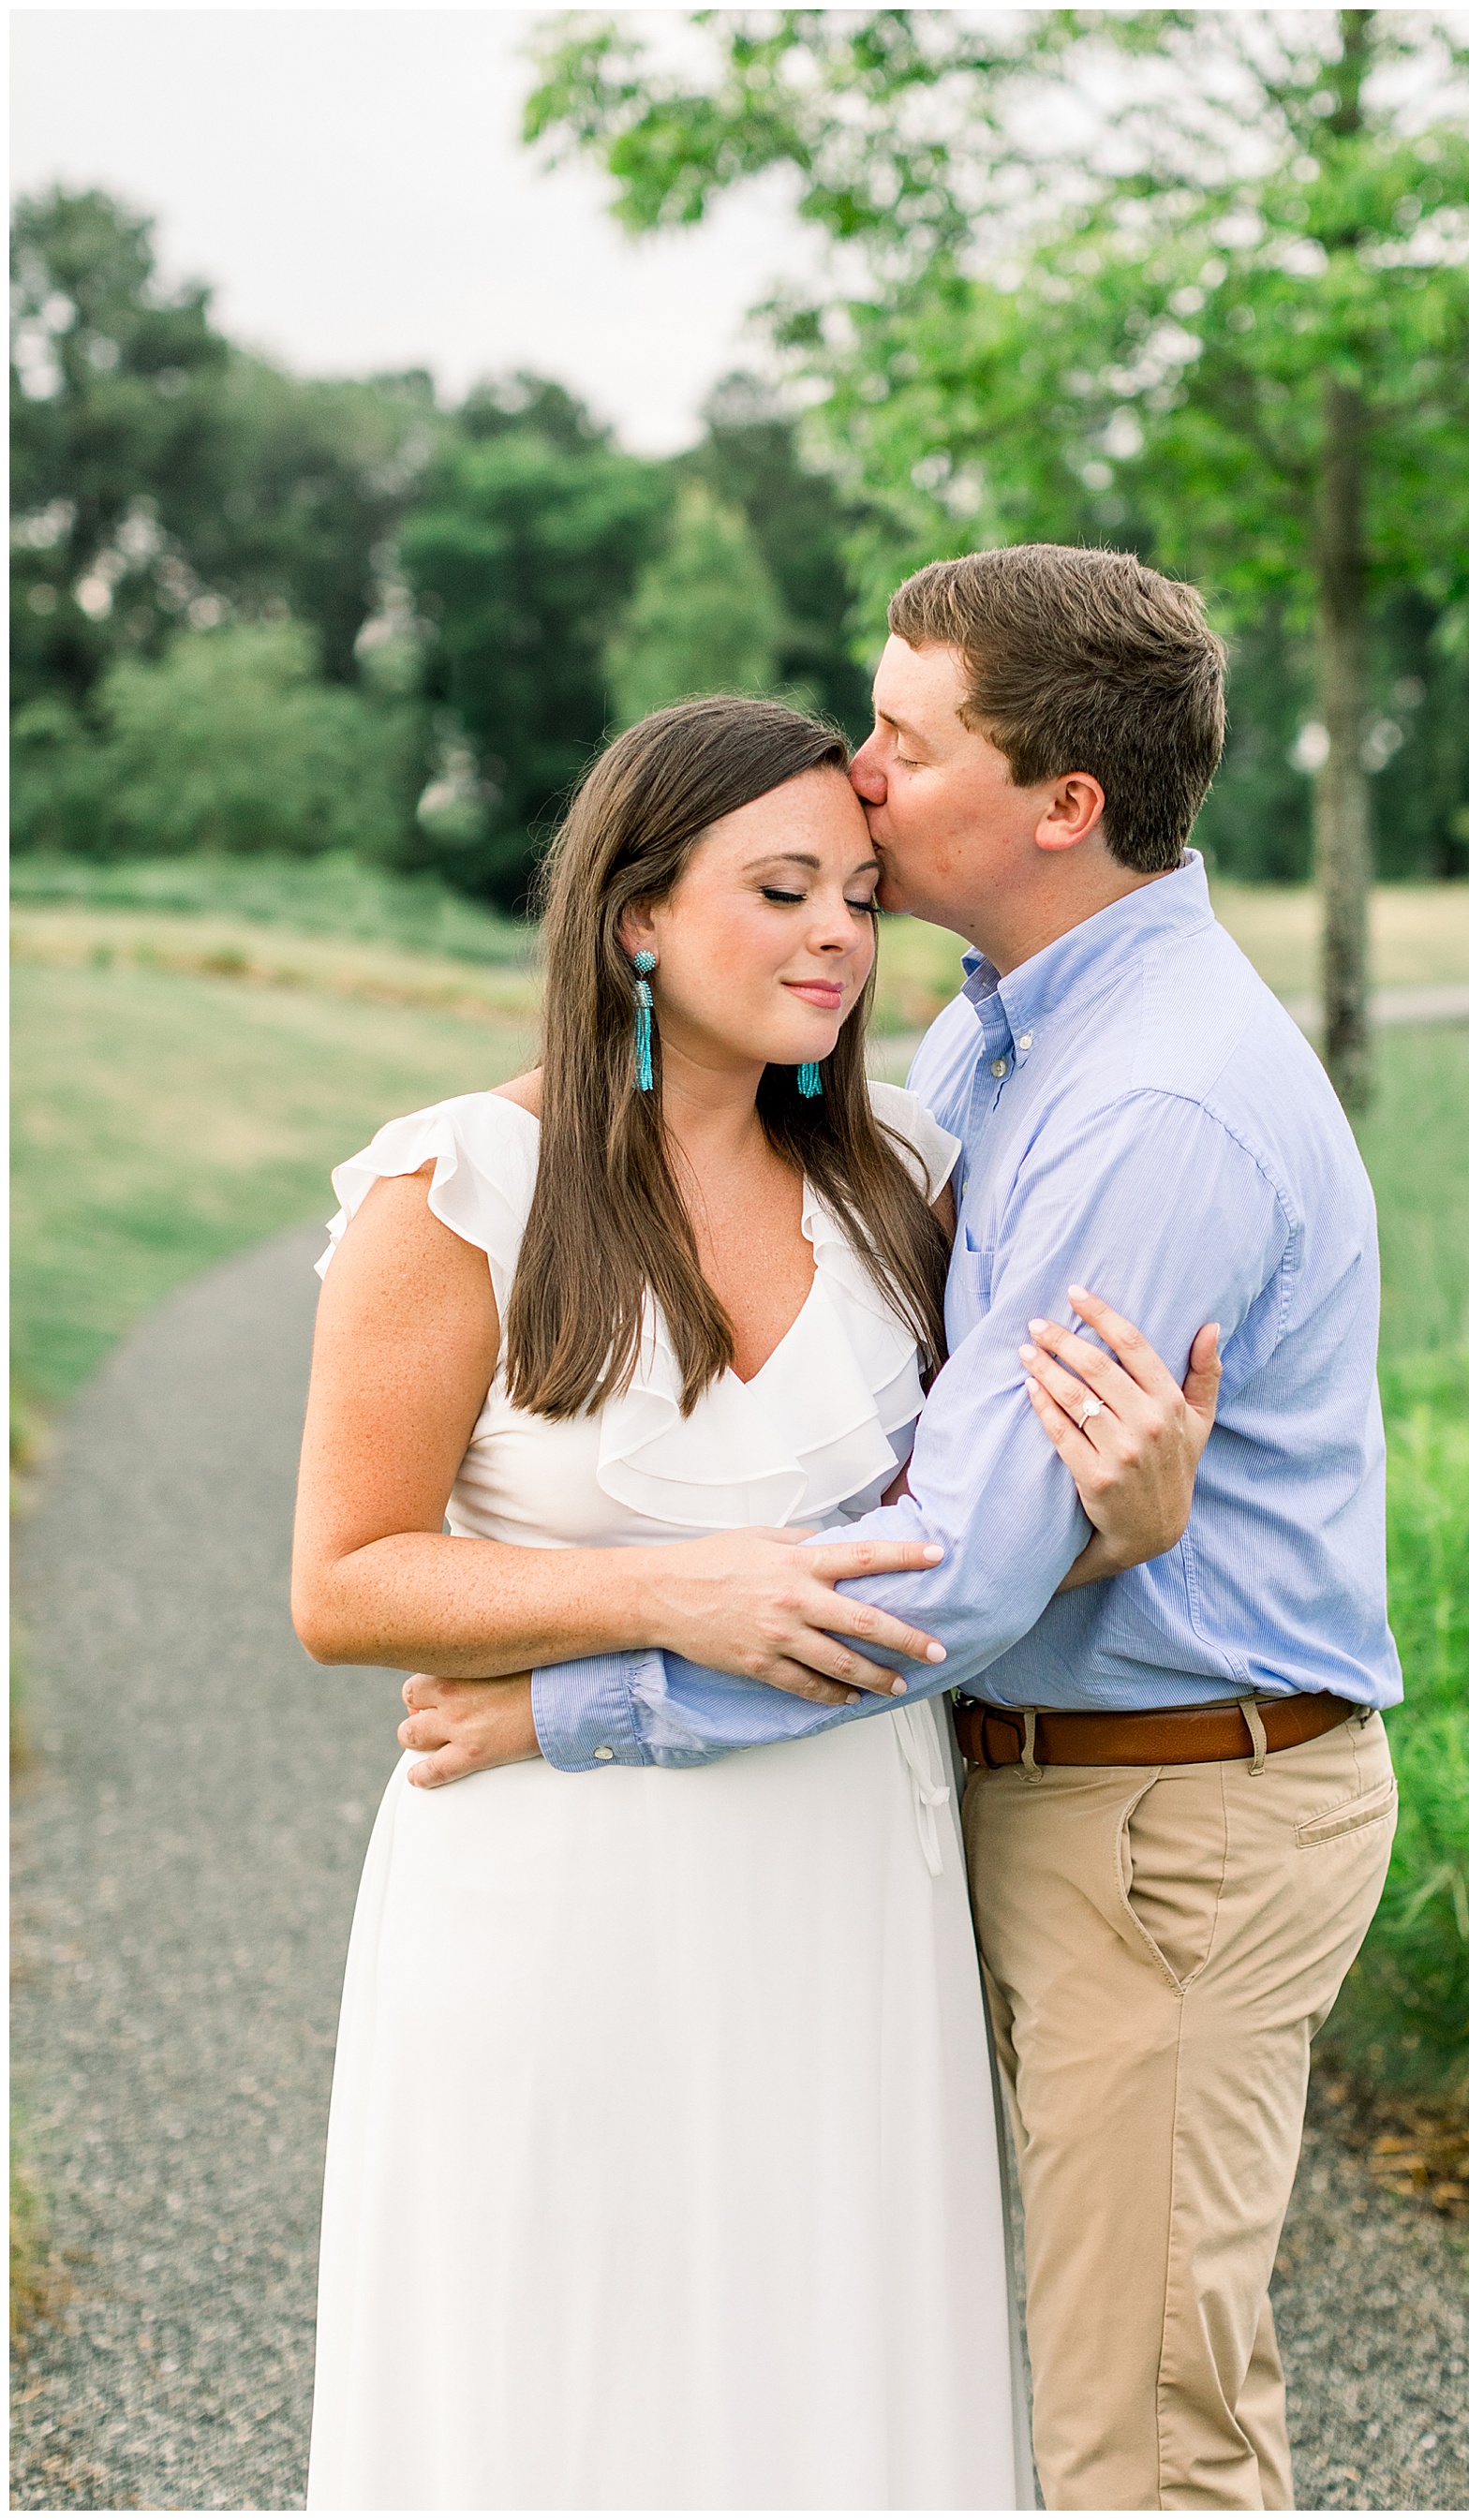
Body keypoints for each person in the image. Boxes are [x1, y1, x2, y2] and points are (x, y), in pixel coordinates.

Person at [402, 545, 1405, 2512]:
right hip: (1011, 1794)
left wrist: (565, 1705)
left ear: (1062, 805)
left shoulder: (1150, 1107)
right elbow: (944, 1487)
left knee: (1147, 2442)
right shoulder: (984, 1051)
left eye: (905, 738)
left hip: (1167, 1823)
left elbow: (948, 1569)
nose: (861, 774)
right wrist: (1093, 1535)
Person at [292, 692, 1205, 2513]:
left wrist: (1133, 1511)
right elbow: (344, 1581)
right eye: (782, 888)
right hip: (549, 1916)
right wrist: (665, 1590)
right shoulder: (463, 1187)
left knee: (828, 2390)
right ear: (635, 912)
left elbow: (961, 1555)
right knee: (553, 2391)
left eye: (862, 896)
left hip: (849, 1896)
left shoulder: (910, 1188)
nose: (838, 940)